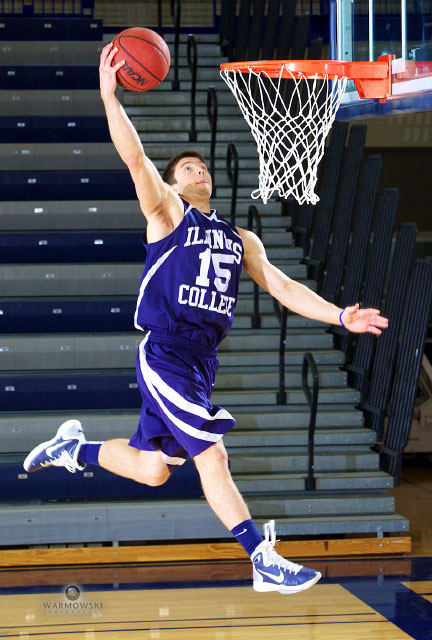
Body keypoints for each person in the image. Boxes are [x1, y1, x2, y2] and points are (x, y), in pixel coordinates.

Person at [23, 43, 389, 595]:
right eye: (188, 166)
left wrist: (340, 315)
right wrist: (108, 98)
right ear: (173, 183)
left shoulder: (241, 238)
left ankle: (73, 449)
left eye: (203, 166)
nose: (200, 170)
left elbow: (285, 287)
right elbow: (135, 159)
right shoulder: (168, 214)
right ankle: (261, 558)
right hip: (166, 349)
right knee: (211, 451)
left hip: (201, 361)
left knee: (152, 469)